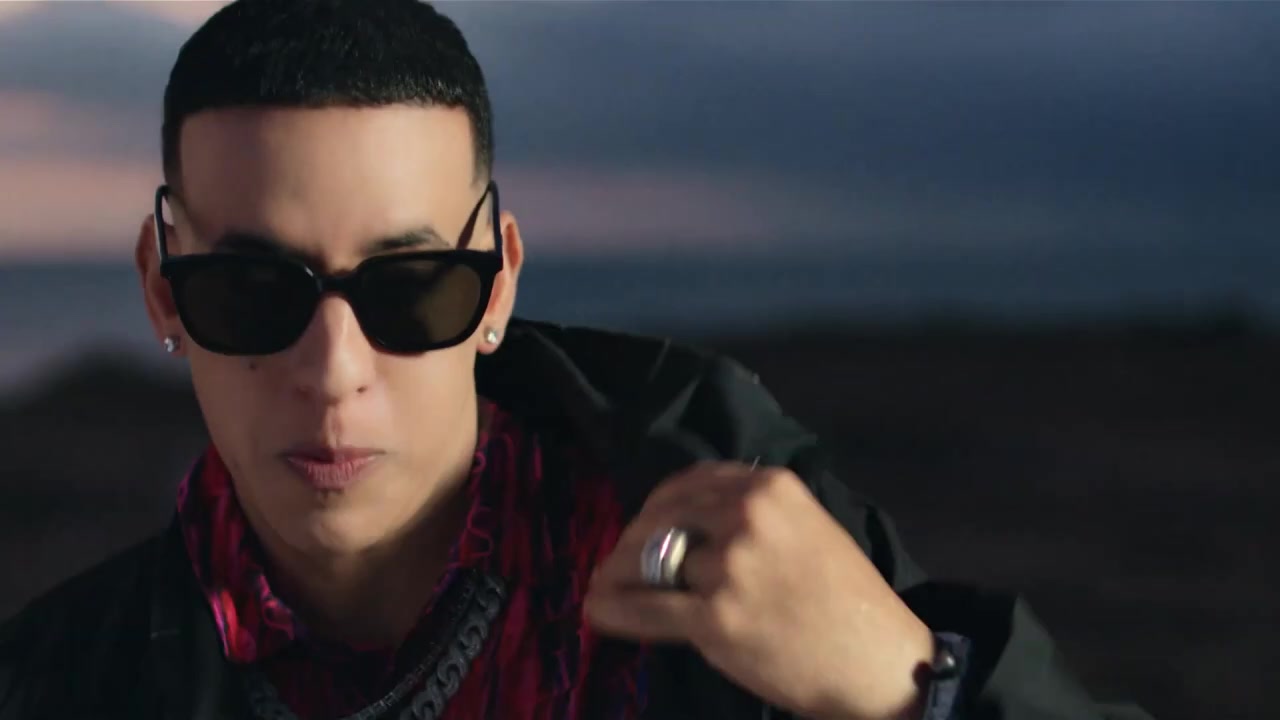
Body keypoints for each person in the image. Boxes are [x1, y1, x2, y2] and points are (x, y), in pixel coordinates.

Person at [0, 2, 1154, 719]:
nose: (334, 367)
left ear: (499, 283)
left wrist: (911, 690)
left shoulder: (740, 540)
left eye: (413, 288)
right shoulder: (51, 683)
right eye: (252, 294)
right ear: (163, 287)